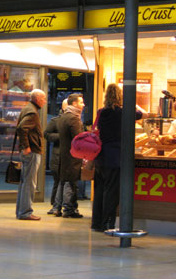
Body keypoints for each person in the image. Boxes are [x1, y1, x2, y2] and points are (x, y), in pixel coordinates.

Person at [92, 84, 150, 231]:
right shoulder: (123, 112)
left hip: (100, 156)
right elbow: (145, 115)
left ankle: (96, 223)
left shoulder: (101, 112)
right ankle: (107, 224)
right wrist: (133, 104)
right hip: (115, 157)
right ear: (120, 97)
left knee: (99, 191)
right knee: (111, 192)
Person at [15, 88, 47, 221]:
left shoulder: (28, 108)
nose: (45, 101)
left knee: (25, 182)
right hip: (32, 151)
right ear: (38, 99)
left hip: (30, 151)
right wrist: (26, 146)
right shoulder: (33, 112)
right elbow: (22, 128)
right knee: (29, 182)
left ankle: (21, 211)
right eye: (43, 99)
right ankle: (25, 212)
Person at [55, 93, 85, 218]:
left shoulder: (64, 116)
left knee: (64, 181)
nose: (83, 105)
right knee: (71, 182)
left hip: (64, 155)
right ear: (74, 103)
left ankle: (58, 207)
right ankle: (68, 209)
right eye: (81, 102)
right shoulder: (74, 118)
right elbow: (78, 139)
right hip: (73, 156)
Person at [43, 98, 67, 215]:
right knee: (58, 181)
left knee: (65, 182)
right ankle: (55, 206)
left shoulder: (76, 120)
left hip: (68, 156)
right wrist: (61, 136)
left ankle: (64, 206)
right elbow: (46, 134)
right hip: (58, 156)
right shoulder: (55, 121)